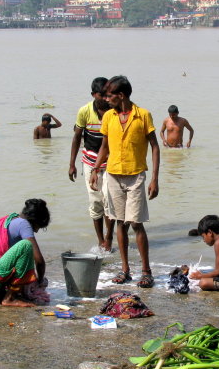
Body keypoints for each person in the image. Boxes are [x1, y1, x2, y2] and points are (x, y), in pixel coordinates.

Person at [90, 75, 160, 288]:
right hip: (113, 174)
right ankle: (125, 269)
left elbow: (155, 147)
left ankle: (146, 271)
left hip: (136, 175)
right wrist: (95, 169)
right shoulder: (109, 117)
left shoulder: (143, 115)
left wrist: (155, 179)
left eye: (109, 95)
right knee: (120, 222)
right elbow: (105, 146)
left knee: (136, 223)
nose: (106, 99)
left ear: (121, 96)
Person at [0, 199, 50, 307]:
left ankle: (6, 294)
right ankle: (10, 298)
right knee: (26, 246)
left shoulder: (12, 219)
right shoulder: (24, 224)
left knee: (22, 254)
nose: (36, 231)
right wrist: (39, 282)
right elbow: (39, 261)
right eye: (38, 228)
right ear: (35, 221)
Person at [69, 77, 115, 251]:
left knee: (109, 201)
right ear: (93, 94)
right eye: (102, 94)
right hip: (90, 161)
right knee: (95, 202)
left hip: (112, 162)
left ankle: (110, 237)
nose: (105, 98)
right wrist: (71, 164)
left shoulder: (114, 110)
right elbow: (76, 138)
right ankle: (101, 239)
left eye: (107, 94)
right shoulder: (85, 111)